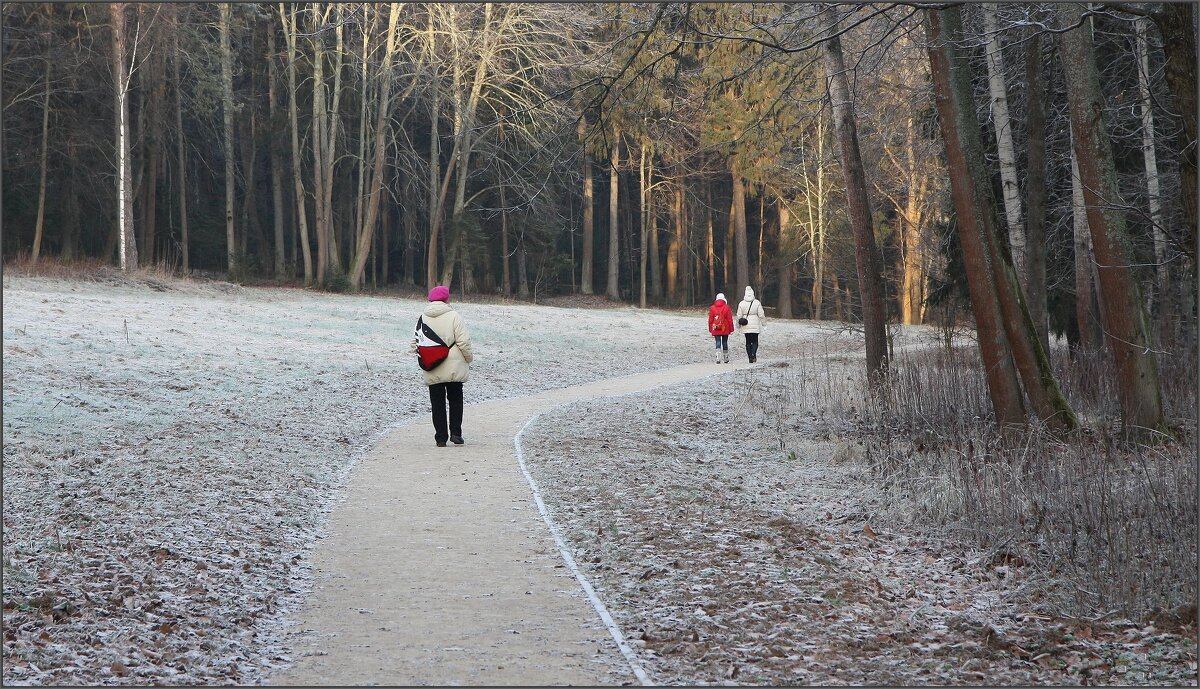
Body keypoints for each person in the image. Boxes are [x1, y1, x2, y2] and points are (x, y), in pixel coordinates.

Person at [411, 285, 473, 447]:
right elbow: (463, 342)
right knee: (455, 400)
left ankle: (440, 438)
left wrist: (425, 354)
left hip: (432, 365)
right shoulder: (454, 316)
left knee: (437, 402)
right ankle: (456, 433)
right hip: (454, 364)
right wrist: (468, 358)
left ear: (430, 299)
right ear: (446, 299)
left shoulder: (422, 317)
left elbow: (415, 342)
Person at [735, 286, 766, 363]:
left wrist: (738, 325)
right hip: (755, 325)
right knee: (755, 341)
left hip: (746, 325)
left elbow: (739, 316)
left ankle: (750, 357)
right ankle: (753, 353)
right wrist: (764, 324)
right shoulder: (757, 303)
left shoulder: (741, 304)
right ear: (753, 294)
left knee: (748, 341)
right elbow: (761, 315)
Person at [708, 292, 735, 363]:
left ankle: (718, 357)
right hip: (724, 327)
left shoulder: (712, 308)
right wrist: (731, 328)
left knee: (718, 341)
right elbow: (729, 319)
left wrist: (711, 328)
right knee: (725, 342)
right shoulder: (727, 307)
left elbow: (710, 319)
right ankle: (725, 357)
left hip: (716, 327)